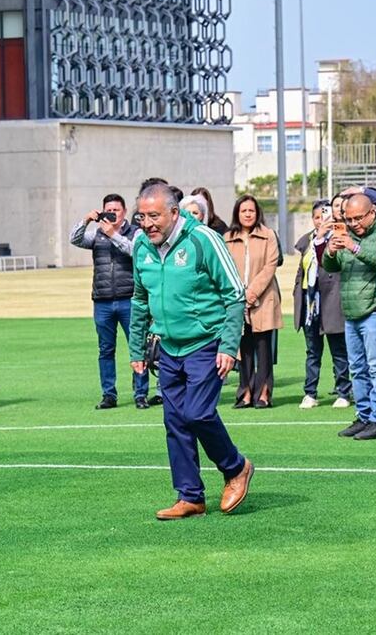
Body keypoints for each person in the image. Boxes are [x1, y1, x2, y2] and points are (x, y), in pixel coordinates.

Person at [128, 183, 253, 520]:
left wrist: (228, 345)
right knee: (175, 421)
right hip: (167, 347)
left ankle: (236, 467)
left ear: (174, 212)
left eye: (155, 216)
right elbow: (140, 298)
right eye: (142, 217)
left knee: (197, 413)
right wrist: (136, 348)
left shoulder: (203, 239)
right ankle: (190, 496)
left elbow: (234, 294)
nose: (148, 223)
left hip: (206, 343)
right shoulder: (141, 245)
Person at [69, 194, 150, 410]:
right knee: (105, 349)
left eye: (116, 209)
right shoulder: (97, 234)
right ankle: (108, 394)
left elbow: (135, 251)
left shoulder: (136, 232)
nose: (112, 213)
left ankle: (140, 394)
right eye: (108, 210)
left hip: (129, 298)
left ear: (124, 212)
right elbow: (75, 239)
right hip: (103, 300)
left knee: (137, 347)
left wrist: (113, 234)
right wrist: (86, 221)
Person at [322, 194, 376, 439]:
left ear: (372, 213)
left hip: (373, 311)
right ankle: (363, 416)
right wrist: (330, 251)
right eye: (349, 219)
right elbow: (331, 267)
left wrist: (354, 247)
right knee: (357, 369)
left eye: (359, 218)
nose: (354, 223)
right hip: (350, 312)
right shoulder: (347, 235)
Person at [224, 195, 282, 408]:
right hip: (237, 300)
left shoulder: (268, 235)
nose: (248, 214)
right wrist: (241, 294)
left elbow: (270, 266)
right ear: (237, 214)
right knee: (243, 347)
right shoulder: (228, 237)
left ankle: (264, 392)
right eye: (243, 211)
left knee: (263, 347)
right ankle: (245, 392)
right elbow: (225, 268)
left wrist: (252, 293)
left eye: (251, 210)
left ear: (257, 213)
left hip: (263, 299)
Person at [294, 199, 352, 409]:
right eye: (317, 217)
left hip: (332, 301)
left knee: (338, 349)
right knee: (312, 351)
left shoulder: (339, 237)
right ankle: (310, 392)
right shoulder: (307, 241)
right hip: (310, 303)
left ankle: (344, 391)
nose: (321, 221)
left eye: (324, 216)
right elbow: (302, 270)